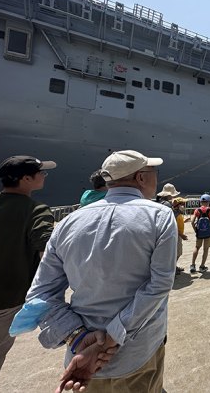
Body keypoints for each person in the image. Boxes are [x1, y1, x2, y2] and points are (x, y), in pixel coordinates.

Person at [24, 149, 177, 391]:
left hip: (82, 359)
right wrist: (111, 337)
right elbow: (159, 285)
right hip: (138, 353)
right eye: (154, 172)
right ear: (141, 178)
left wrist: (78, 337)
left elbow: (39, 295)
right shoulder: (160, 216)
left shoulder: (67, 223)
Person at [0, 155, 55, 387]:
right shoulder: (36, 210)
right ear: (27, 179)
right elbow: (47, 253)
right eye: (41, 173)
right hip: (2, 302)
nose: (44, 176)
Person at [190, 194, 210, 273]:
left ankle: (193, 265)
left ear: (201, 202)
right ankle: (202, 266)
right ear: (208, 202)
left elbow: (192, 221)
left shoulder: (197, 210)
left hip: (199, 232)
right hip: (208, 232)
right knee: (205, 249)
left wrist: (195, 230)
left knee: (197, 247)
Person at [172, 197, 188, 275]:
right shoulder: (175, 214)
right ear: (178, 205)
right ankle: (173, 268)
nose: (184, 206)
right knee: (176, 253)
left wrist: (185, 220)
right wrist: (182, 235)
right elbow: (174, 227)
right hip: (177, 236)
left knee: (178, 252)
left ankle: (174, 267)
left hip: (179, 236)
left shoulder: (178, 214)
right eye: (182, 204)